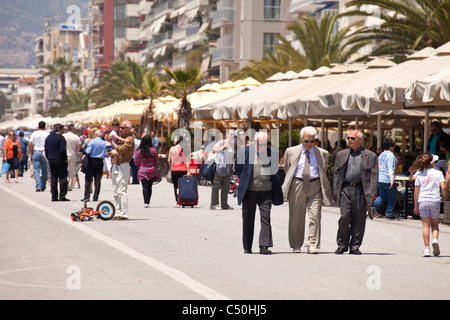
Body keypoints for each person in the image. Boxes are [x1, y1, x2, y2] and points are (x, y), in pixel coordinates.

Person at [282, 126, 333, 254]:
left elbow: (323, 169)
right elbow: (287, 168)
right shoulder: (290, 151)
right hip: (298, 185)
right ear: (301, 140)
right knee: (296, 217)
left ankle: (312, 244)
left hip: (315, 185)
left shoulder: (322, 153)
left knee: (315, 216)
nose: (309, 144)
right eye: (306, 141)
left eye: (312, 141)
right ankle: (296, 244)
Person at [235, 131, 284, 254]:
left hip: (266, 190)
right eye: (260, 144)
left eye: (264, 144)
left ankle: (264, 246)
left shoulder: (273, 152)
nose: (262, 147)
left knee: (266, 218)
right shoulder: (244, 152)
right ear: (254, 142)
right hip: (249, 190)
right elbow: (238, 169)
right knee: (248, 218)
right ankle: (247, 246)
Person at [333, 130, 378, 255]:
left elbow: (374, 175)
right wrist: (336, 190)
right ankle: (342, 245)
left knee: (359, 219)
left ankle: (355, 246)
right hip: (346, 189)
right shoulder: (341, 154)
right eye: (348, 138)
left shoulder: (370, 156)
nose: (350, 140)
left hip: (361, 190)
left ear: (360, 140)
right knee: (344, 216)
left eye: (352, 138)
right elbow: (336, 174)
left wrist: (372, 192)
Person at [411, 153, 447, 257]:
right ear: (432, 162)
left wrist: (416, 206)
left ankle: (426, 249)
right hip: (435, 200)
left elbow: (416, 192)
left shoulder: (419, 174)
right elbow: (443, 187)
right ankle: (435, 240)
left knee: (425, 225)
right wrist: (444, 197)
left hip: (423, 200)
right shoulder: (438, 173)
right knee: (435, 224)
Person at [105, 120, 135, 220]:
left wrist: (112, 143)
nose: (120, 129)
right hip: (117, 164)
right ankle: (118, 212)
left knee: (122, 189)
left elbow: (121, 150)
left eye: (122, 127)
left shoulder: (130, 139)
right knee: (116, 190)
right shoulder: (122, 138)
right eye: (120, 127)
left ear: (128, 129)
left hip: (123, 165)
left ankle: (124, 214)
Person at [210, 129, 235, 210]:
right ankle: (214, 204)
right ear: (227, 134)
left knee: (226, 186)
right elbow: (214, 151)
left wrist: (231, 167)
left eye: (234, 134)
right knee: (216, 185)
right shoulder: (221, 142)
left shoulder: (232, 144)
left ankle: (224, 204)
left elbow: (231, 157)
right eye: (231, 134)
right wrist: (223, 147)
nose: (233, 136)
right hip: (220, 165)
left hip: (228, 167)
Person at [45, 124, 69, 202]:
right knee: (62, 177)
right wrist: (65, 158)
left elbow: (46, 149)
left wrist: (48, 157)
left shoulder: (48, 137)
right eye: (62, 130)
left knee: (53, 177)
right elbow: (63, 150)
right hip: (60, 159)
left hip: (51, 159)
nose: (63, 131)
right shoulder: (61, 138)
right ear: (59, 129)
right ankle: (62, 196)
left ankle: (54, 196)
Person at [374, 138, 398, 219]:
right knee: (392, 196)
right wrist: (392, 180)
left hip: (380, 178)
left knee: (382, 196)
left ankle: (374, 208)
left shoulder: (381, 155)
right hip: (387, 178)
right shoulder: (391, 156)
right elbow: (391, 168)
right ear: (391, 147)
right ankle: (389, 212)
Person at [134, 135, 160, 208]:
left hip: (142, 171)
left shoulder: (139, 151)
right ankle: (148, 200)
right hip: (152, 170)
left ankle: (146, 202)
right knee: (149, 186)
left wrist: (140, 166)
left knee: (144, 186)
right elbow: (156, 160)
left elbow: (136, 161)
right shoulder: (153, 150)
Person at [81, 129, 106, 202]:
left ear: (95, 135)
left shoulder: (92, 141)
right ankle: (95, 197)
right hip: (100, 161)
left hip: (91, 161)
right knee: (98, 180)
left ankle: (87, 196)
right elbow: (104, 153)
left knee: (88, 179)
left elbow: (88, 151)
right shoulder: (103, 143)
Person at [168, 135, 191, 206]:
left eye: (174, 139)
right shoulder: (185, 149)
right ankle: (183, 200)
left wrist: (172, 165)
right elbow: (187, 161)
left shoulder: (172, 149)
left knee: (176, 186)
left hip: (174, 169)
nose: (174, 141)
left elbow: (169, 160)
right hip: (183, 169)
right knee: (182, 186)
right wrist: (188, 171)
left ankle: (177, 202)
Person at [29, 121, 49, 192]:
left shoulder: (35, 133)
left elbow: (30, 143)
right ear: (45, 126)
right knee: (44, 170)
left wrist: (30, 153)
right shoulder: (47, 134)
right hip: (44, 152)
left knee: (36, 170)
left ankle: (38, 185)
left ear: (38, 126)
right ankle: (43, 186)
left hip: (36, 151)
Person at [63, 124, 81, 191]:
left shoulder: (64, 136)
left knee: (64, 171)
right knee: (71, 171)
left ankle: (63, 184)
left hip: (65, 155)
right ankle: (70, 186)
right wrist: (75, 153)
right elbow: (78, 148)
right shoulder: (76, 137)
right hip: (73, 155)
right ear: (73, 129)